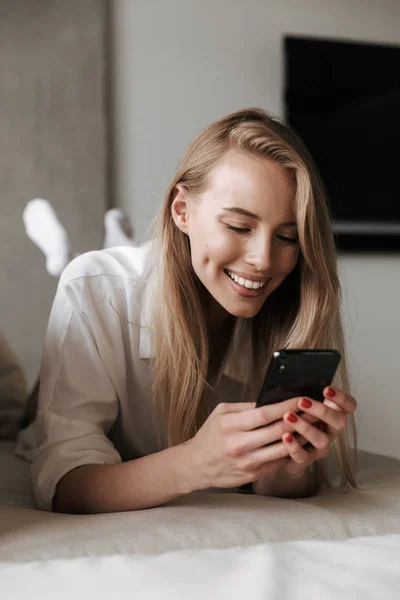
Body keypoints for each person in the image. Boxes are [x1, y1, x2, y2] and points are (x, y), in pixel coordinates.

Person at [16, 107, 358, 514]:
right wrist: (194, 464)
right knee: (22, 418)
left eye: (287, 236)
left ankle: (119, 238)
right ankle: (79, 250)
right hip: (101, 301)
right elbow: (65, 483)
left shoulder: (293, 308)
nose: (264, 260)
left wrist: (289, 461)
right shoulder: (93, 287)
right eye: (238, 227)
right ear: (182, 211)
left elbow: (274, 487)